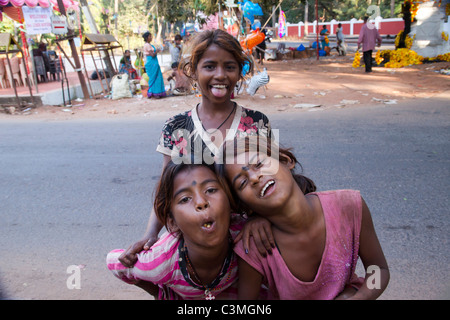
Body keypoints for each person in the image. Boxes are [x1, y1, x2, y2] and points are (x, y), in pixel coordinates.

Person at [118, 29, 273, 269]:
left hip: (249, 240)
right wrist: (151, 234)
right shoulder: (176, 127)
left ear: (239, 71)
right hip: (195, 241)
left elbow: (273, 183)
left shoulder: (257, 122)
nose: (220, 75)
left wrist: (261, 217)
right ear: (194, 70)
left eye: (230, 67)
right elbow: (166, 187)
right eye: (210, 66)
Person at [216, 136, 390, 300]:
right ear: (244, 205)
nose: (254, 177)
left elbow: (378, 269)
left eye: (259, 164)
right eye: (242, 183)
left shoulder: (348, 206)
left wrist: (361, 297)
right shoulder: (255, 247)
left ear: (285, 160)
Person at [107, 162, 244, 299]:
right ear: (172, 223)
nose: (201, 202)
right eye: (185, 199)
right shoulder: (161, 262)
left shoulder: (245, 237)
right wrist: (161, 293)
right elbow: (114, 263)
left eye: (211, 190)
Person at [142, 31, 166, 98]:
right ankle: (153, 93)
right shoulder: (147, 45)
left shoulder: (149, 45)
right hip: (151, 62)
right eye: (150, 36)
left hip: (154, 62)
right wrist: (157, 51)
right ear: (146, 38)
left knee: (157, 77)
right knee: (153, 78)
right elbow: (152, 55)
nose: (151, 37)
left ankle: (157, 92)